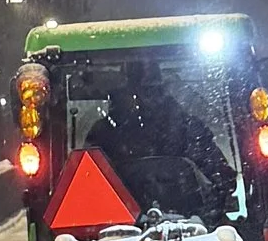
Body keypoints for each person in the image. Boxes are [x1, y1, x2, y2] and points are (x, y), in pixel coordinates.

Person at [85, 62, 238, 227]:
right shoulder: (106, 134)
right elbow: (87, 187)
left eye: (152, 89)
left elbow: (223, 178)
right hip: (122, 233)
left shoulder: (186, 129)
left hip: (187, 231)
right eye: (142, 89)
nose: (147, 97)